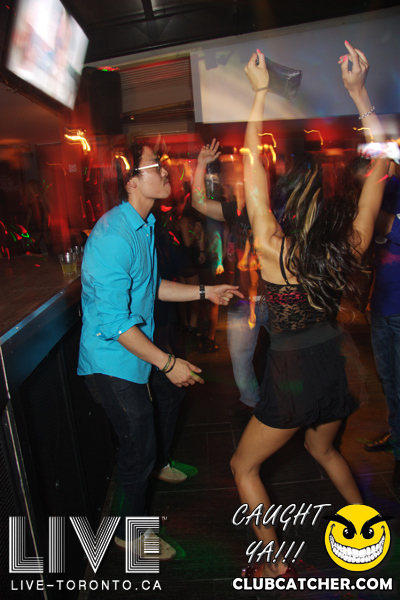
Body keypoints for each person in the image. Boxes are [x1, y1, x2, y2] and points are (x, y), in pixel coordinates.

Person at [230, 42, 389, 578]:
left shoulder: (272, 247)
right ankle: (366, 532)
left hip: (293, 373)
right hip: (336, 364)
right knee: (325, 451)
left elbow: (251, 167)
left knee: (243, 465)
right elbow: (384, 164)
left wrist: (258, 95)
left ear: (287, 202)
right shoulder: (349, 243)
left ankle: (274, 563)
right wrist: (359, 93)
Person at [78, 142, 241, 559]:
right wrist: (168, 362)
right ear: (131, 181)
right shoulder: (114, 236)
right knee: (138, 446)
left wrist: (207, 292)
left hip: (135, 351)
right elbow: (116, 323)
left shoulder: (143, 224)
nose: (166, 171)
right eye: (156, 165)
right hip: (110, 361)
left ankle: (160, 463)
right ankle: (129, 536)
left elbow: (152, 288)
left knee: (166, 401)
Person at [192, 142, 269, 412]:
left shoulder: (280, 213)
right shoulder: (237, 210)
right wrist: (201, 165)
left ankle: (281, 407)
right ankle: (252, 405)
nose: (242, 183)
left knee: (284, 358)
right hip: (241, 301)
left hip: (276, 299)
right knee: (239, 359)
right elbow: (198, 203)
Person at [363, 165, 400, 489]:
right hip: (381, 307)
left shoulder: (383, 195)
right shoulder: (382, 189)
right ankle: (397, 435)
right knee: (388, 382)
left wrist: (373, 211)